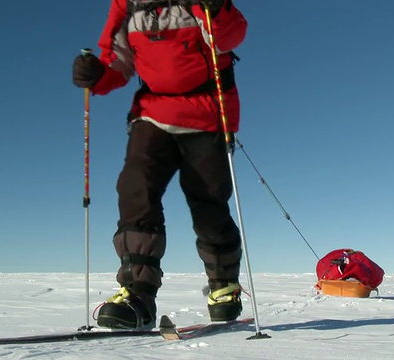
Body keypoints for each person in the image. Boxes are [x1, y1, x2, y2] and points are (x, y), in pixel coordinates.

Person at [72, 0, 248, 330]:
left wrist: (217, 7)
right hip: (153, 112)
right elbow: (118, 64)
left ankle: (224, 285)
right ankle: (138, 296)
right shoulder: (126, 6)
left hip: (207, 112)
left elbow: (230, 37)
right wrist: (96, 75)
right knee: (135, 187)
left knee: (208, 197)